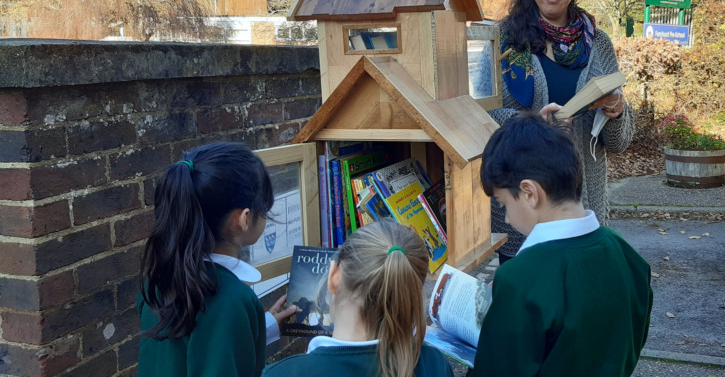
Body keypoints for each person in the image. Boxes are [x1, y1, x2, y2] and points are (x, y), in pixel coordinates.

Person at [474, 0, 634, 263]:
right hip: (523, 211)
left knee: (578, 307)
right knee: (527, 304)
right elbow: (478, 115)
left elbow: (618, 143)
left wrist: (617, 109)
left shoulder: (598, 43)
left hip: (581, 207)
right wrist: (532, 124)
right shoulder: (502, 41)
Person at [471, 112, 652, 376]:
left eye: (503, 204)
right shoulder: (628, 256)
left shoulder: (519, 279)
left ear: (530, 193)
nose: (507, 219)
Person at [137, 142, 297, 377]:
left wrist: (264, 327)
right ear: (243, 219)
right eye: (265, 209)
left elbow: (196, 348)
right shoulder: (233, 300)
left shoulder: (157, 281)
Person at [262, 219, 454, 377]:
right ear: (409, 291)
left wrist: (261, 333)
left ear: (334, 276)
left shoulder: (281, 373)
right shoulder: (435, 365)